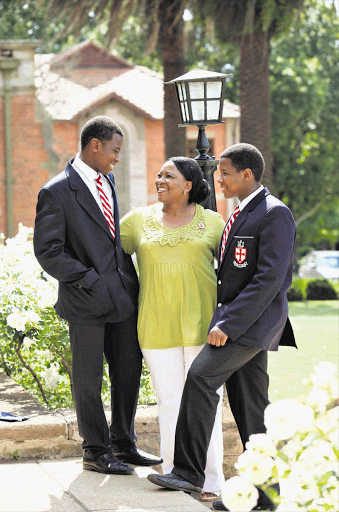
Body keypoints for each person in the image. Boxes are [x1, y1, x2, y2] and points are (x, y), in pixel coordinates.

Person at [147, 143, 297, 511]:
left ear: (247, 175)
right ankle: (264, 496)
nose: (219, 179)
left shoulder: (274, 214)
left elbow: (269, 280)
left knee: (200, 377)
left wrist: (227, 324)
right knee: (252, 411)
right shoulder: (242, 213)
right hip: (243, 324)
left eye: (225, 172)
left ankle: (187, 472)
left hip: (250, 326)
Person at [33, 115, 161, 475]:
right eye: (114, 151)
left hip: (122, 298)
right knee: (89, 380)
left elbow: (109, 238)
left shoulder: (108, 180)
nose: (117, 158)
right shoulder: (56, 191)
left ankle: (123, 443)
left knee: (128, 371)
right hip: (85, 300)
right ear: (95, 146)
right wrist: (88, 279)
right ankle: (95, 451)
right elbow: (48, 251)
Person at [120, 157, 226, 501]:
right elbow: (106, 254)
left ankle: (211, 481)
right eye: (159, 174)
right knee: (169, 403)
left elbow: (234, 274)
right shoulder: (137, 221)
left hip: (205, 330)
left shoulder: (213, 222)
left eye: (169, 175)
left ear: (189, 185)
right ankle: (173, 474)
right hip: (155, 326)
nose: (159, 179)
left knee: (206, 404)